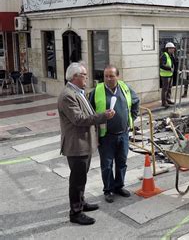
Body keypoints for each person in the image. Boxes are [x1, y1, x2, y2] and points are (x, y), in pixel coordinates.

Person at [58, 62, 115, 225]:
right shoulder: (67, 95)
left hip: (84, 144)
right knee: (76, 180)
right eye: (84, 75)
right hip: (76, 145)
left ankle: (81, 203)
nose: (86, 78)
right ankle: (75, 212)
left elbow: (87, 113)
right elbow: (79, 119)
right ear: (75, 77)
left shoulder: (78, 92)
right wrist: (103, 116)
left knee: (81, 178)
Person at [89, 65, 140, 203]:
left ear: (117, 76)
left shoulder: (125, 88)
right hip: (106, 135)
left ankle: (119, 186)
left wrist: (131, 118)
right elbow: (90, 113)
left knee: (122, 162)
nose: (108, 79)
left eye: (111, 76)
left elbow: (136, 102)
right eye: (106, 76)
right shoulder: (97, 91)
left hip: (123, 134)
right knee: (107, 165)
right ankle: (108, 189)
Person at [160, 42, 176, 108]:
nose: (173, 50)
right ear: (168, 49)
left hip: (170, 75)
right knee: (165, 89)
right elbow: (161, 65)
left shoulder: (171, 55)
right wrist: (169, 69)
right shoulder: (164, 55)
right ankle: (164, 102)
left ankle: (168, 100)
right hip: (165, 75)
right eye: (172, 48)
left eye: (173, 48)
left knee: (169, 88)